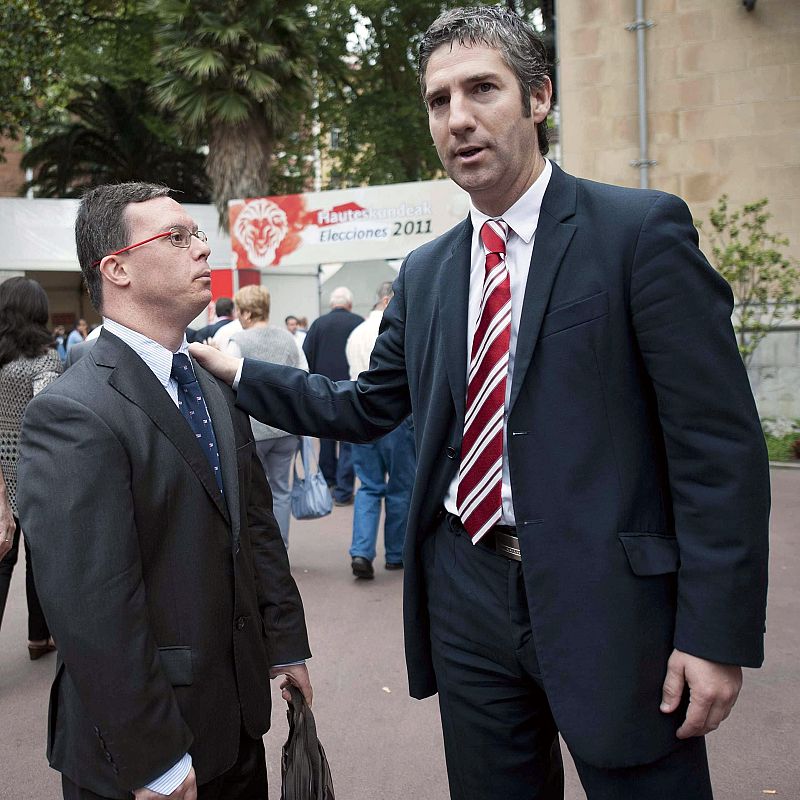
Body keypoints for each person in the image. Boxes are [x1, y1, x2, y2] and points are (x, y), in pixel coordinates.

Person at [190, 6, 770, 799]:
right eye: (438, 100)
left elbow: (717, 450)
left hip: (614, 601)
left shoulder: (638, 233)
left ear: (538, 97)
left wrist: (715, 633)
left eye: (482, 89)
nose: (458, 119)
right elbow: (365, 406)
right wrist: (237, 372)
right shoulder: (427, 273)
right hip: (466, 595)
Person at [18, 182, 312, 800]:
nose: (201, 250)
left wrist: (284, 644)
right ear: (117, 269)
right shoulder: (73, 411)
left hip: (236, 725)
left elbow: (254, 528)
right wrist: (155, 759)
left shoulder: (209, 382)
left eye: (198, 234)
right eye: (176, 238)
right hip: (146, 755)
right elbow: (90, 606)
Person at [0, 276, 62, 659]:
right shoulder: (46, 358)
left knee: (3, 556)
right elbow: (46, 411)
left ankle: (39, 637)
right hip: (34, 465)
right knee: (40, 556)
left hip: (0, 471)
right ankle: (39, 637)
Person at [345, 282, 416, 579]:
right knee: (400, 487)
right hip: (397, 416)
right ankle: (396, 553)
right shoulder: (402, 331)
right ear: (388, 301)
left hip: (360, 413)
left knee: (369, 486)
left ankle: (361, 551)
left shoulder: (357, 333)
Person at [227, 285, 304, 548]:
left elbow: (227, 381)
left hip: (253, 430)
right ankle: (281, 544)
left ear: (247, 313)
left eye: (239, 310)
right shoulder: (287, 338)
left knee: (252, 492)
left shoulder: (239, 342)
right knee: (282, 490)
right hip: (285, 428)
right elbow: (303, 373)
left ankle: (260, 548)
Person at [301, 287, 363, 505]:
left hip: (323, 389)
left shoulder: (318, 324)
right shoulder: (359, 322)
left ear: (331, 304)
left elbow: (306, 356)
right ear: (350, 304)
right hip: (352, 388)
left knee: (326, 437)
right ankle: (344, 486)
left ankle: (328, 480)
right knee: (348, 439)